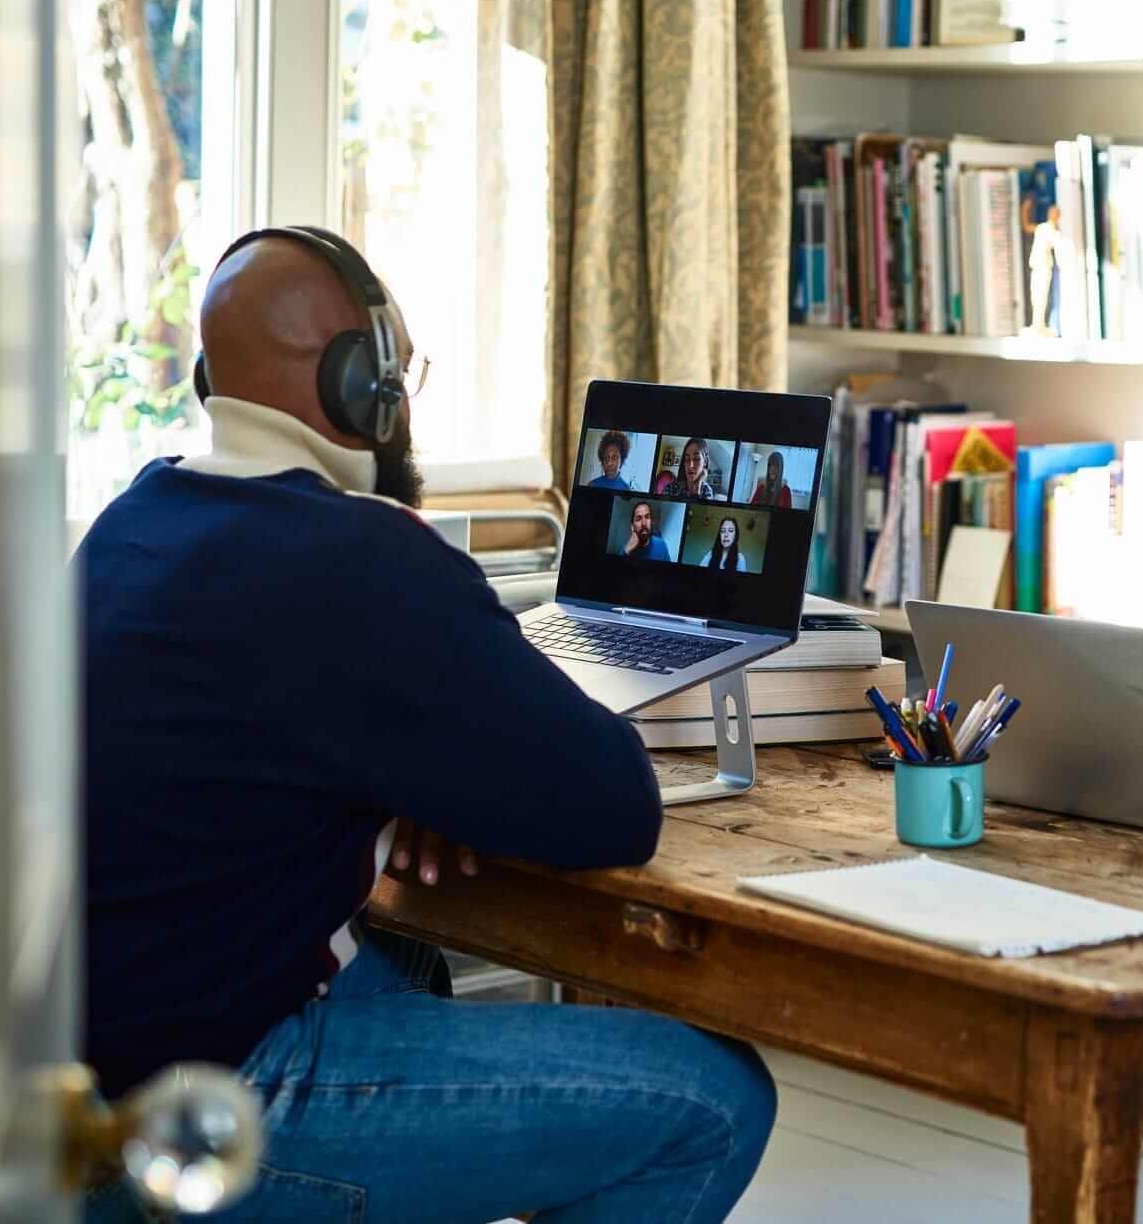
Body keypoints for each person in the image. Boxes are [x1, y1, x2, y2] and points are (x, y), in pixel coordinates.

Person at [78, 229, 775, 1223]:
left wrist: (412, 774)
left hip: (80, 1081)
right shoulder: (359, 557)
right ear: (360, 381)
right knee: (712, 1099)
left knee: (406, 961)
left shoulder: (135, 519)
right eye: (396, 369)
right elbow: (614, 804)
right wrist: (448, 749)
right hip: (198, 1110)